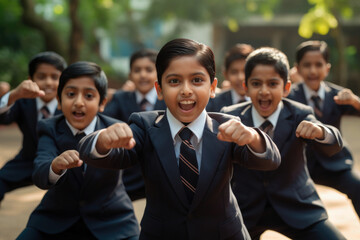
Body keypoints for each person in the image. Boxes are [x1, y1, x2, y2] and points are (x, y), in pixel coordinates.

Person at [78, 38, 281, 240]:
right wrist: (102, 140)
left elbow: (270, 160)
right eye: (174, 81)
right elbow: (91, 152)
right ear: (159, 89)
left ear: (212, 87)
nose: (186, 90)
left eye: (197, 80)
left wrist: (253, 137)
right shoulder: (144, 126)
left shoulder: (227, 127)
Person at [222, 47, 346, 240]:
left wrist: (321, 132)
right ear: (245, 87)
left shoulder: (300, 113)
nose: (264, 91)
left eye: (273, 84)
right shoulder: (231, 116)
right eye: (256, 84)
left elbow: (333, 143)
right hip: (244, 210)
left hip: (296, 205)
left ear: (286, 88)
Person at [17, 61, 139, 240]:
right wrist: (55, 166)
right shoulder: (48, 127)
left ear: (102, 103)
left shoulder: (115, 129)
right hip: (55, 220)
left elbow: (125, 155)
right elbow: (40, 171)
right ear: (59, 101)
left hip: (112, 221)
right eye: (71, 94)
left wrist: (103, 144)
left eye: (89, 96)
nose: (79, 102)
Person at [287, 40, 360, 219]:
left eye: (318, 65)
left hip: (335, 164)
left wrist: (354, 101)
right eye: (307, 65)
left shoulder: (338, 96)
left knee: (358, 187)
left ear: (327, 68)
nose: (312, 71)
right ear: (297, 68)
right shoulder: (289, 96)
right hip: (300, 167)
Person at [0, 52, 67, 205]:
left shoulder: (71, 103)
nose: (49, 83)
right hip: (28, 161)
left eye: (55, 77)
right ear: (30, 80)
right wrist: (13, 95)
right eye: (41, 77)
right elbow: (3, 118)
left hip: (64, 163)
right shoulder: (23, 102)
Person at [103, 48, 166, 201]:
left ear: (158, 73)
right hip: (129, 178)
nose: (143, 74)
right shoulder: (120, 98)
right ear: (130, 75)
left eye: (149, 70)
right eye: (137, 70)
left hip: (162, 177)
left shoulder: (168, 99)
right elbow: (105, 123)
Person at [207, 43, 254, 112]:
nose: (240, 77)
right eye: (234, 72)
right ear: (225, 74)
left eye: (245, 71)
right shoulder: (213, 103)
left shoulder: (263, 102)